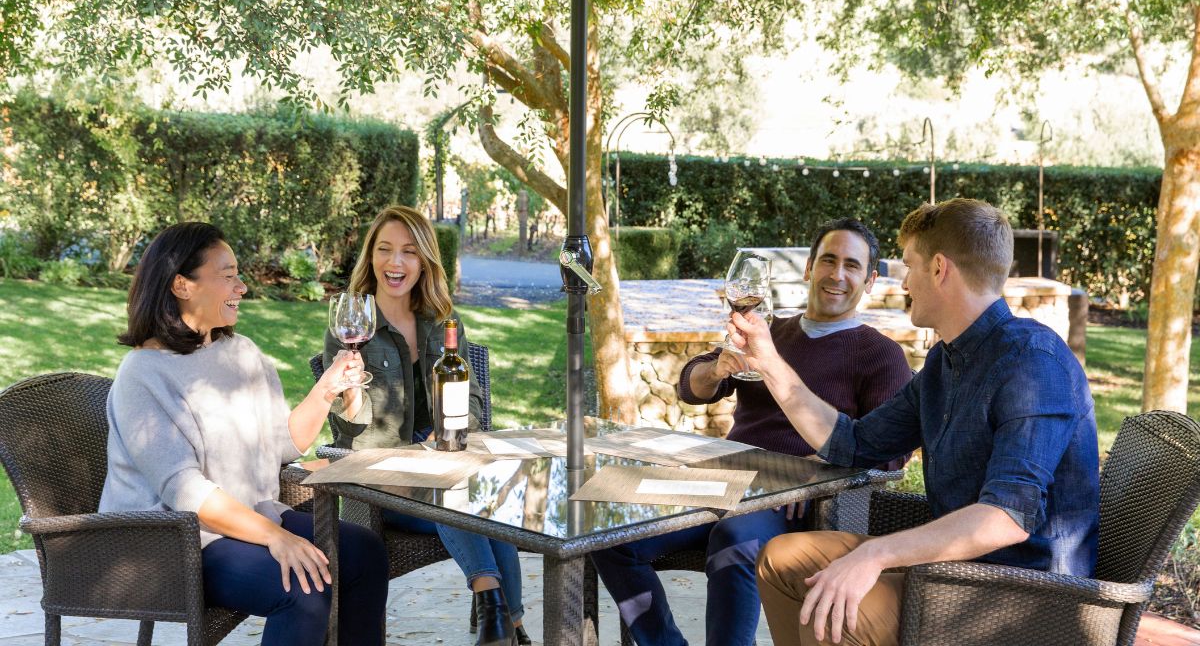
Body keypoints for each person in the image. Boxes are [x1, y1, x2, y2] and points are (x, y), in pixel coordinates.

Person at [746, 199, 1100, 646]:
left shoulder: (1032, 363)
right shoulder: (945, 362)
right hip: (954, 573)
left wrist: (877, 553)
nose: (904, 282)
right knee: (782, 559)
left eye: (909, 266)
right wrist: (768, 361)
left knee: (836, 609)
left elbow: (1007, 518)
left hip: (1024, 597)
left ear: (938, 269)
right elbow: (852, 443)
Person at [590, 218, 913, 646]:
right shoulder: (770, 330)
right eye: (828, 260)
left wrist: (812, 474)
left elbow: (892, 449)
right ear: (808, 268)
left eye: (852, 266)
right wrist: (716, 367)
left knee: (733, 540)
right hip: (722, 479)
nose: (837, 274)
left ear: (870, 280)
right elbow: (691, 386)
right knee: (607, 528)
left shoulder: (881, 355)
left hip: (793, 501)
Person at [99, 222, 389, 646]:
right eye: (228, 275)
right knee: (303, 592)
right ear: (182, 284)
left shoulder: (242, 353)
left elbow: (283, 444)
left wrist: (326, 389)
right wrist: (277, 537)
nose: (243, 287)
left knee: (364, 553)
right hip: (175, 543)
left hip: (247, 520)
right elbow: (185, 491)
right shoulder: (142, 375)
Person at [323, 204, 526, 646]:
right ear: (370, 257)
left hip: (440, 463)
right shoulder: (351, 325)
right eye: (385, 250)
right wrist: (352, 395)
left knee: (483, 498)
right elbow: (351, 432)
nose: (396, 263)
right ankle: (500, 614)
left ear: (425, 261)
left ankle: (501, 625)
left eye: (409, 252)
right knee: (467, 499)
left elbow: (470, 401)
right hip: (382, 478)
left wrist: (452, 431)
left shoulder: (442, 322)